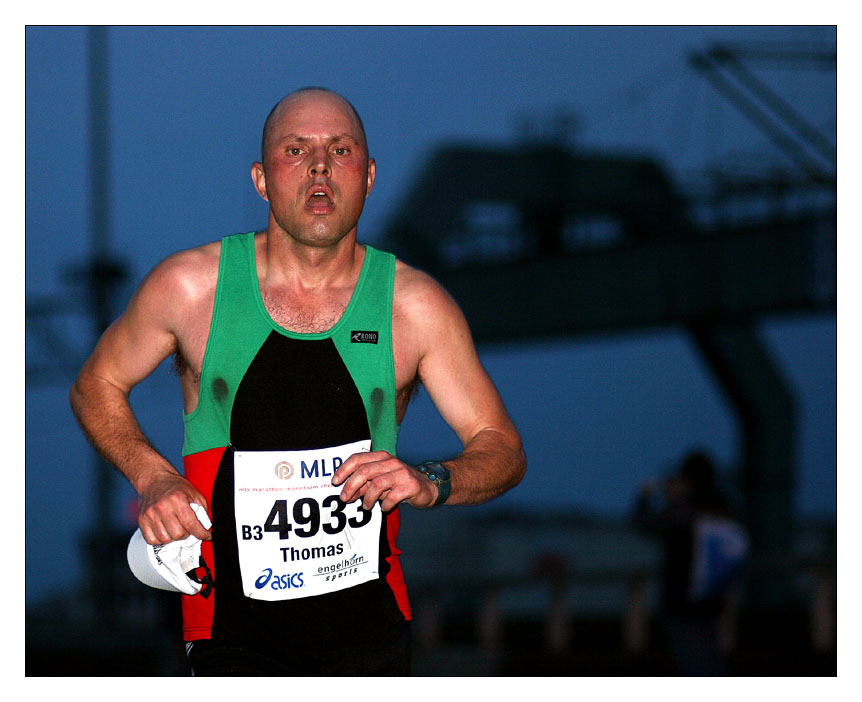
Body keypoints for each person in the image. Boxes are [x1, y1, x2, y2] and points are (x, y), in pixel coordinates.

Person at [69, 87, 526, 676]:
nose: (319, 166)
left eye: (341, 150)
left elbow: (503, 448)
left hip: (371, 637)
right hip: (228, 636)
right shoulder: (190, 287)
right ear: (261, 179)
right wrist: (154, 477)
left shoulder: (414, 306)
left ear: (368, 176)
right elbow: (95, 385)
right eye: (296, 149)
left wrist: (430, 478)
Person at [634, 450, 748, 676]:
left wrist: (647, 498)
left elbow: (646, 523)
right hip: (714, 598)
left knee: (692, 664)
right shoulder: (723, 506)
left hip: (683, 601)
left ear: (688, 478)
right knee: (711, 660)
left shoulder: (685, 511)